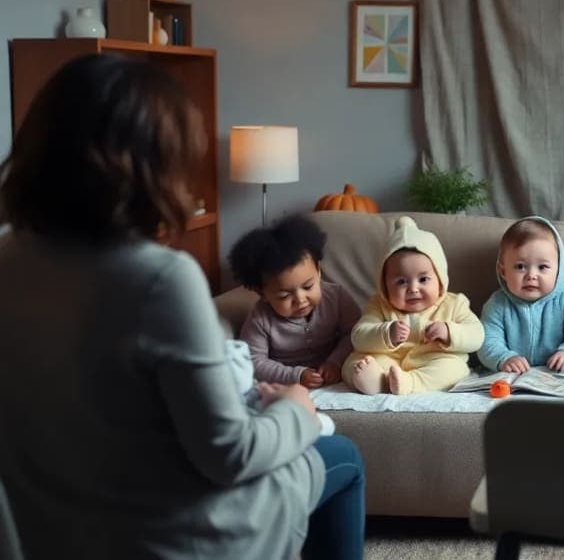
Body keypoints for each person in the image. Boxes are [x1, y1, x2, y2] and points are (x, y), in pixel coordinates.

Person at [0, 54, 364, 559]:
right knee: (342, 456)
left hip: (56, 530)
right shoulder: (159, 279)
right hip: (175, 537)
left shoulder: (9, 256)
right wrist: (296, 411)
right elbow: (231, 455)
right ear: (153, 169)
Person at [343, 216, 484, 394]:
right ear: (384, 284)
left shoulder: (454, 303)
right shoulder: (379, 305)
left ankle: (410, 383)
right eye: (401, 281)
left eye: (423, 279)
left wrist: (449, 332)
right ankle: (378, 382)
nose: (413, 289)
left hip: (432, 361)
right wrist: (386, 333)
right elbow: (358, 336)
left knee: (455, 368)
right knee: (355, 363)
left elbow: (477, 335)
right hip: (389, 360)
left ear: (440, 279)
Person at [229, 214, 360, 387]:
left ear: (318, 271)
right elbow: (253, 360)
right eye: (284, 296)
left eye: (308, 287)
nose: (300, 299)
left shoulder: (336, 297)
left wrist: (335, 362)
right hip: (287, 384)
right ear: (263, 294)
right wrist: (295, 375)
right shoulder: (261, 318)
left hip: (336, 373)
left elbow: (357, 333)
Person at [477, 217, 564, 372]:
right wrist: (504, 358)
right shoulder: (497, 304)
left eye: (543, 267)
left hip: (556, 375)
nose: (531, 275)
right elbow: (486, 340)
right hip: (511, 376)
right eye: (520, 266)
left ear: (558, 270)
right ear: (503, 271)